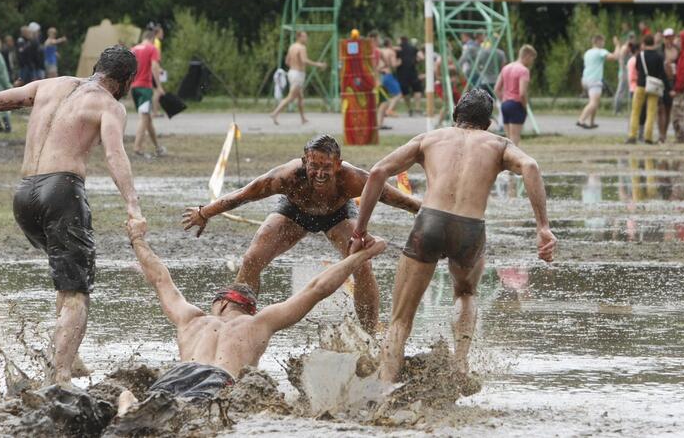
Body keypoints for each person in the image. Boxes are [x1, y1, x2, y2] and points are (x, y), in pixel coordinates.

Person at [0, 45, 144, 386]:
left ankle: (69, 356)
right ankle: (59, 379)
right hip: (62, 193)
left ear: (96, 67)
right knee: (77, 290)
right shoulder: (110, 105)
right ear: (126, 81)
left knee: (66, 270)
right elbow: (115, 155)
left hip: (24, 196)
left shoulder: (51, 84)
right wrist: (133, 205)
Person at [350, 89, 556, 382]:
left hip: (430, 223)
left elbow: (378, 171)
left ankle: (384, 390)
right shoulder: (498, 144)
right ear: (487, 123)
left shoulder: (430, 138)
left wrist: (360, 230)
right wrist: (542, 227)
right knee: (466, 293)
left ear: (454, 114)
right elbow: (531, 166)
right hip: (470, 229)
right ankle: (460, 365)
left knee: (400, 320)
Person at [115, 217, 387, 418]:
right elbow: (316, 289)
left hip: (176, 376)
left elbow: (160, 278)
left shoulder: (192, 319)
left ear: (221, 304)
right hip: (218, 382)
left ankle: (128, 410)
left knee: (134, 403)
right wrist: (361, 256)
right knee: (195, 420)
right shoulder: (259, 323)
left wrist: (137, 238)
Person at [181, 135, 420, 334]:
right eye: (313, 166)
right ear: (304, 161)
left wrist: (427, 214)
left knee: (362, 265)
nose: (319, 174)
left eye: (326, 167)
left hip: (338, 215)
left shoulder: (353, 178)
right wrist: (204, 213)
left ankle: (370, 333)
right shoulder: (287, 176)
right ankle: (235, 324)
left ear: (338, 164)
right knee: (252, 258)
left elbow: (397, 198)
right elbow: (244, 195)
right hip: (294, 212)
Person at [270, 31, 327, 125]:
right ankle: (275, 113)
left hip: (291, 72)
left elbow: (287, 62)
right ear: (299, 37)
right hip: (298, 75)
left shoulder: (292, 46)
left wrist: (295, 65)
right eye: (304, 37)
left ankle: (303, 118)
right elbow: (304, 61)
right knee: (291, 97)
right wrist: (319, 64)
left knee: (300, 97)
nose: (306, 38)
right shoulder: (302, 48)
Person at [130, 28, 166, 158]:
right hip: (145, 87)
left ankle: (158, 148)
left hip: (134, 87)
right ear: (152, 39)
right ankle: (137, 148)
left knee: (148, 119)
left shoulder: (133, 49)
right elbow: (154, 66)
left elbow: (129, 68)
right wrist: (159, 86)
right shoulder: (152, 48)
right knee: (144, 117)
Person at [627, 34, 666, 144]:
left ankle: (632, 136)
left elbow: (637, 68)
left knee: (635, 111)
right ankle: (648, 137)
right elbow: (661, 72)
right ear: (653, 42)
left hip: (640, 85)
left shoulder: (640, 55)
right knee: (651, 112)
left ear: (644, 43)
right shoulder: (659, 56)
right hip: (653, 87)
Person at [494, 44, 536, 146]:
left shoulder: (506, 68)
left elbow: (496, 89)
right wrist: (525, 106)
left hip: (505, 104)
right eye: (532, 59)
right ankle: (513, 161)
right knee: (515, 137)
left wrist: (503, 100)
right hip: (516, 104)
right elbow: (522, 93)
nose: (532, 62)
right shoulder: (524, 71)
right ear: (527, 56)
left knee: (508, 138)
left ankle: (507, 160)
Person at [576, 34, 622, 129]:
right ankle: (581, 120)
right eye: (603, 41)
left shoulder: (587, 52)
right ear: (598, 42)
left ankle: (592, 122)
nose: (604, 43)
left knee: (594, 101)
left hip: (585, 80)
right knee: (593, 102)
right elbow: (614, 57)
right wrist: (617, 45)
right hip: (594, 80)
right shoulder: (600, 51)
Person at [658, 28, 680, 143]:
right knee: (660, 109)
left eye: (671, 37)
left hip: (672, 81)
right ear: (664, 38)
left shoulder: (677, 50)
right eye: (667, 37)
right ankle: (661, 134)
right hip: (662, 81)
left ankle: (664, 134)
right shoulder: (660, 50)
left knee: (668, 108)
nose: (669, 40)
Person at [376, 38, 403, 128]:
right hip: (388, 75)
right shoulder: (391, 52)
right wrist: (399, 62)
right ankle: (390, 110)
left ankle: (380, 122)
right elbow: (393, 64)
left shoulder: (382, 50)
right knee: (398, 94)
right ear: (390, 44)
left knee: (384, 100)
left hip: (381, 76)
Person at [396, 36, 424, 116]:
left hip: (402, 73)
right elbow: (422, 57)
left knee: (405, 92)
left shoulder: (398, 49)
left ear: (401, 40)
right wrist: (415, 61)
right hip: (412, 72)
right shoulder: (413, 48)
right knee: (417, 90)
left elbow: (395, 60)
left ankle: (409, 109)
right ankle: (417, 108)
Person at [613, 33, 636, 114]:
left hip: (628, 71)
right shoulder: (625, 48)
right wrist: (625, 71)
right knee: (621, 90)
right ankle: (617, 109)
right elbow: (621, 60)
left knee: (627, 90)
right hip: (624, 72)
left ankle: (624, 109)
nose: (633, 40)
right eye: (631, 39)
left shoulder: (630, 47)